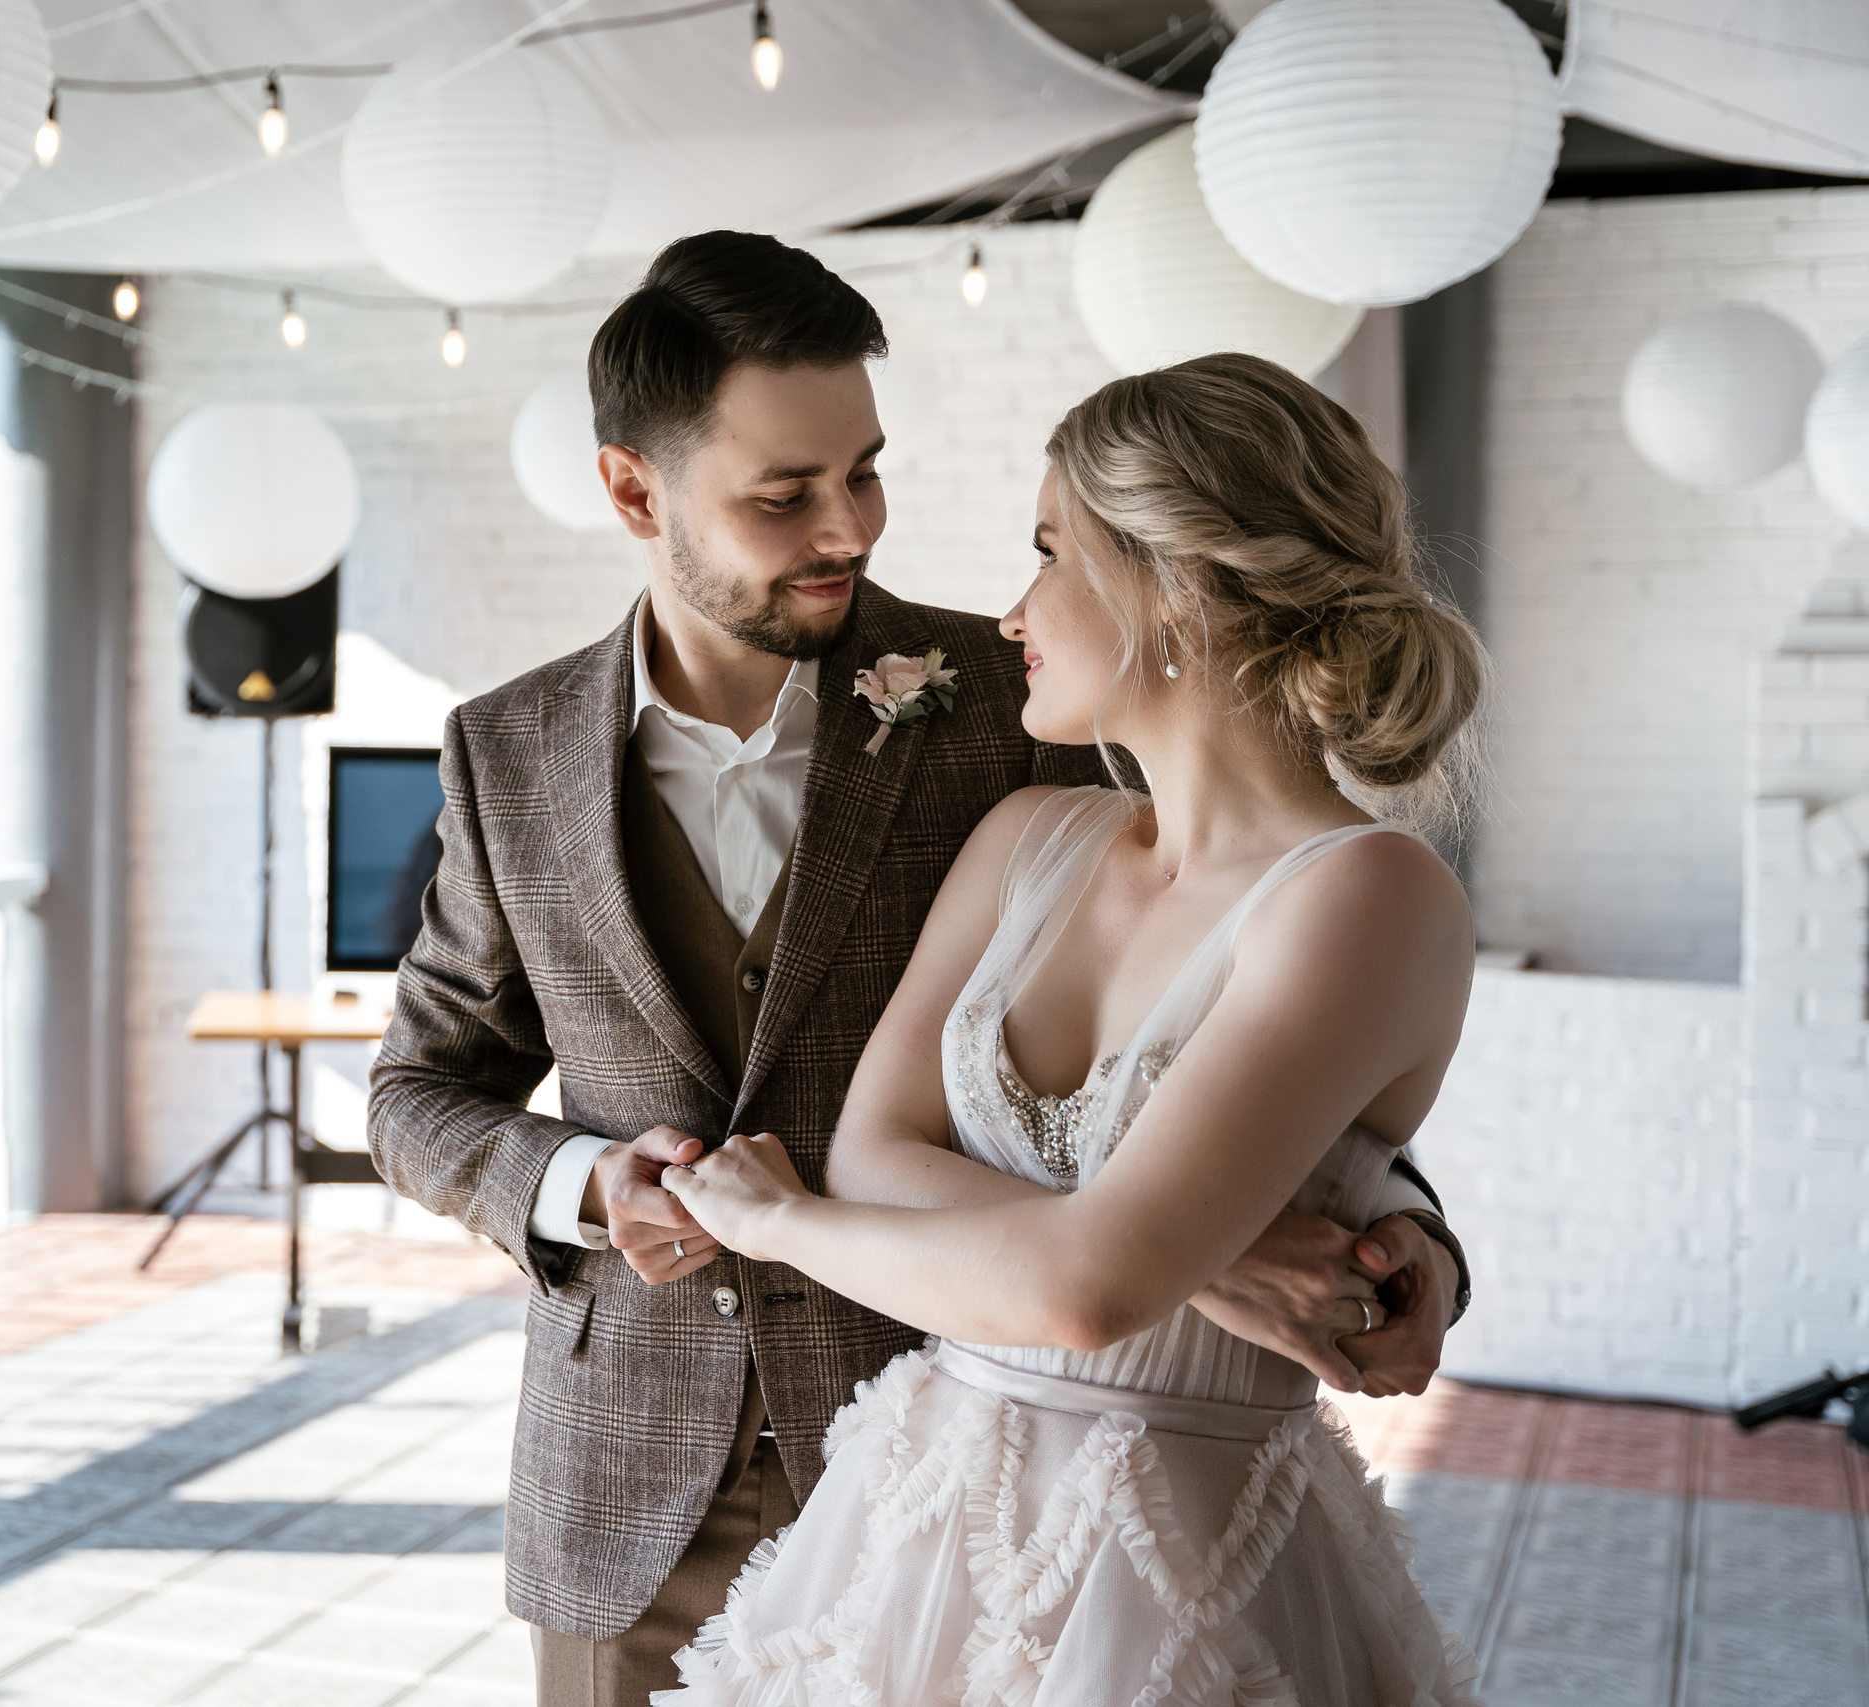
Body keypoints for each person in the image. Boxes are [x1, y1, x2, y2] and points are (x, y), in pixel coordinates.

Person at [365, 233, 1469, 1707]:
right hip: (627, 1492)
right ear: (634, 492)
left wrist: (1393, 1236)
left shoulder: (1017, 708)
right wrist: (581, 1182)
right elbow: (417, 1094)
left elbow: (1239, 1016)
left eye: (865, 472)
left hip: (956, 1445)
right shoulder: (508, 753)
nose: (850, 529)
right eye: (785, 495)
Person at [656, 351, 1486, 1705]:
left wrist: (775, 1223)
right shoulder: (1031, 836)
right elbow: (875, 1154)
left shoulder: (1368, 894)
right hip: (921, 1532)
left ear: (1176, 582)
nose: (1011, 612)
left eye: (1049, 552)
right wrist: (1185, 1256)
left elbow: (1088, 1290)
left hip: (1178, 1563)